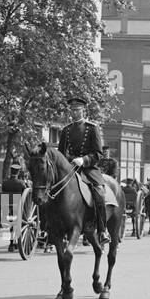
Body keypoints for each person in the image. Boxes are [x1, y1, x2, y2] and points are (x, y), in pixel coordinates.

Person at [57, 94, 110, 246]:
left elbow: (98, 154)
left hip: (88, 169)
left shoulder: (92, 128)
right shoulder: (66, 130)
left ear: (83, 111)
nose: (74, 113)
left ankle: (102, 230)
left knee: (99, 194)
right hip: (70, 168)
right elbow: (60, 153)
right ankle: (48, 228)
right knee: (53, 191)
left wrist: (84, 160)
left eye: (77, 110)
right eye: (72, 110)